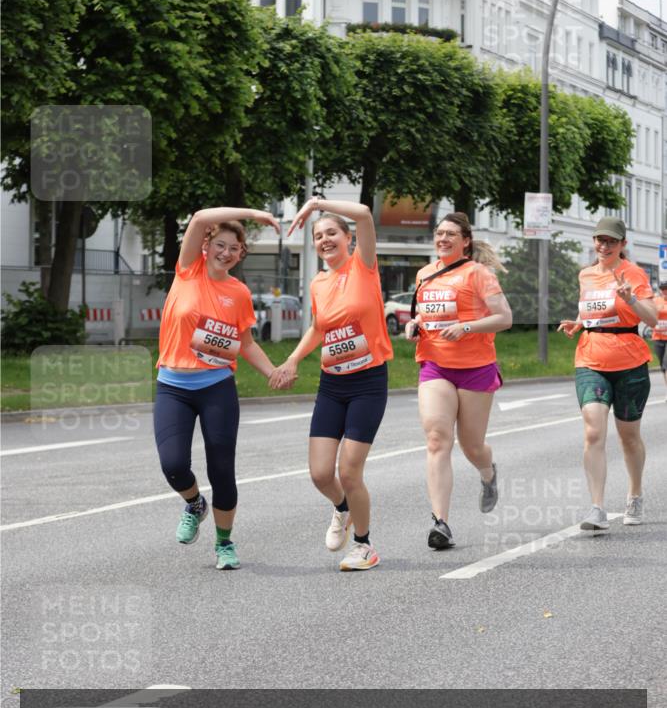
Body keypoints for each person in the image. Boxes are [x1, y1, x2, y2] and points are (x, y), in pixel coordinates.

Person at [154, 206, 281, 570]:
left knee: (222, 470)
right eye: (220, 245)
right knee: (173, 465)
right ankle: (194, 503)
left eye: (234, 248)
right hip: (173, 386)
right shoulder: (187, 270)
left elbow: (246, 343)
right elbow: (198, 218)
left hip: (216, 387)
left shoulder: (238, 293)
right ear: (206, 246)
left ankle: (224, 543)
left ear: (241, 254)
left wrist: (272, 372)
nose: (226, 253)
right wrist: (255, 214)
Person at [271, 199, 392, 572]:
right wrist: (292, 359)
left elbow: (365, 214)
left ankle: (364, 545)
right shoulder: (318, 283)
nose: (325, 240)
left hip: (368, 381)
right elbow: (318, 328)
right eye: (318, 236)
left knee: (349, 471)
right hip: (332, 384)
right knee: (321, 474)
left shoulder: (364, 267)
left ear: (348, 238)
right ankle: (343, 508)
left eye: (331, 233)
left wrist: (316, 204)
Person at [405, 212, 512, 550]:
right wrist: (414, 325)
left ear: (465, 241)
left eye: (451, 234)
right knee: (437, 439)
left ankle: (488, 473)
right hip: (435, 364)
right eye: (439, 233)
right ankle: (441, 523)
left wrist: (467, 327)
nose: (443, 238)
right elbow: (424, 314)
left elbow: (504, 318)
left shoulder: (478, 274)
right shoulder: (425, 274)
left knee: (471, 445)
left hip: (475, 366)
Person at [558, 216, 657, 531]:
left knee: (629, 437)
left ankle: (635, 494)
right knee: (593, 432)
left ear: (622, 244)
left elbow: (652, 318)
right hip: (590, 360)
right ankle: (597, 508)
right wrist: (579, 322)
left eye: (612, 241)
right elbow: (593, 309)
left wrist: (631, 299)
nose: (604, 246)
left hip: (629, 364)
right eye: (601, 239)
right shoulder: (585, 274)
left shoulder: (634, 273)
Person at [652, 281, 667, 400]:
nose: (664, 291)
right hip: (657, 337)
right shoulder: (655, 300)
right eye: (662, 288)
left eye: (666, 288)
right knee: (663, 367)